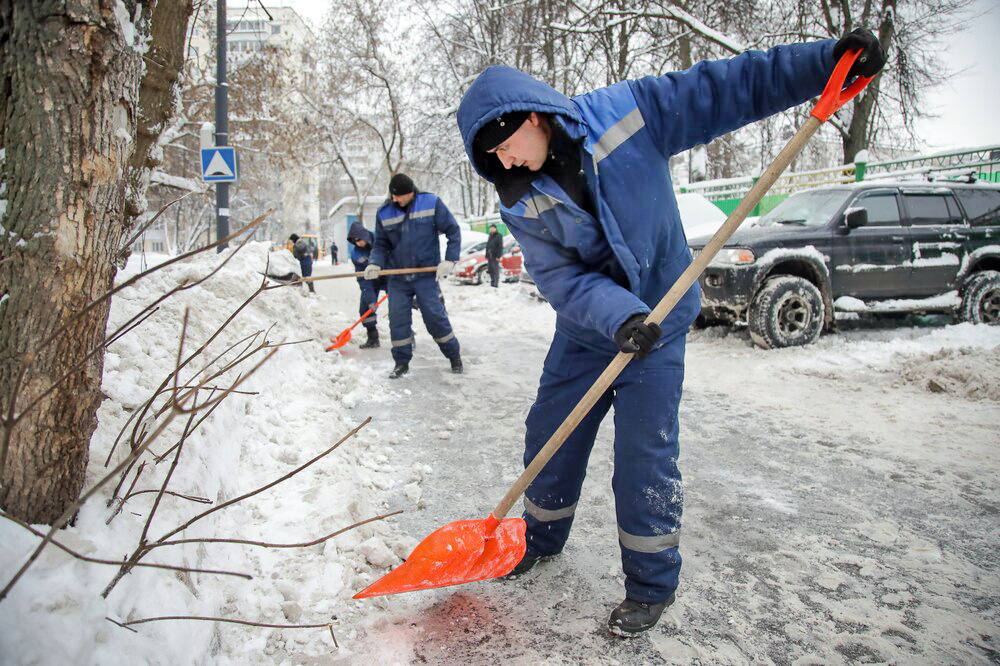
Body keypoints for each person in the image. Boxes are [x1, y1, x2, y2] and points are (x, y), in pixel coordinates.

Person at [457, 30, 885, 634]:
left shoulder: (628, 115)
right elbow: (560, 279)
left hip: (660, 322)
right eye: (492, 158)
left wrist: (826, 62)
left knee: (644, 456)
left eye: (505, 146)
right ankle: (538, 538)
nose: (504, 163)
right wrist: (617, 316)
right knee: (551, 434)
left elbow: (729, 88)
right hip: (589, 331)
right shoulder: (519, 200)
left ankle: (651, 584)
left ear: (532, 115)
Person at [364, 173, 464, 378]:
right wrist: (374, 263)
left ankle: (454, 356)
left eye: (399, 196)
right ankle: (401, 363)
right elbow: (381, 244)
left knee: (435, 318)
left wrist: (450, 259)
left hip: (425, 276)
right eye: (392, 196)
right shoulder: (384, 212)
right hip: (398, 279)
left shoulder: (431, 203)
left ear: (411, 193)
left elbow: (453, 230)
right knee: (398, 321)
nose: (395, 200)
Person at [347, 221, 384, 349]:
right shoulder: (356, 254)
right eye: (355, 241)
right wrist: (371, 301)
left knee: (399, 308)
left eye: (360, 239)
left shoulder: (380, 239)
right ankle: (373, 338)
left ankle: (409, 337)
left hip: (390, 277)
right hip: (371, 281)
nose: (358, 242)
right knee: (365, 309)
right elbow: (363, 279)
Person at [485, 223, 503, 288]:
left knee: (495, 270)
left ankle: (496, 284)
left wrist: (499, 256)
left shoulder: (499, 236)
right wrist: (486, 254)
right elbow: (487, 245)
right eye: (491, 228)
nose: (491, 229)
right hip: (490, 256)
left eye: (493, 228)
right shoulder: (490, 235)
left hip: (495, 256)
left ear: (495, 228)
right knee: (491, 270)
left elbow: (500, 247)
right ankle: (492, 283)